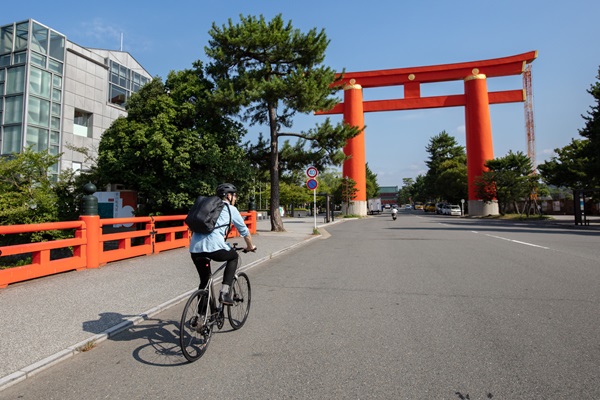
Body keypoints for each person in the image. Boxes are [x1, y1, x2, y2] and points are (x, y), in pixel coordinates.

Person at [189, 183, 256, 305]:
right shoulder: (231, 209)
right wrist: (250, 247)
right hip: (215, 248)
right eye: (235, 195)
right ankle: (224, 293)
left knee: (204, 282)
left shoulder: (209, 208)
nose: (235, 198)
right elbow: (245, 232)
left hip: (195, 249)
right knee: (234, 257)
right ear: (228, 196)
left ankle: (200, 317)